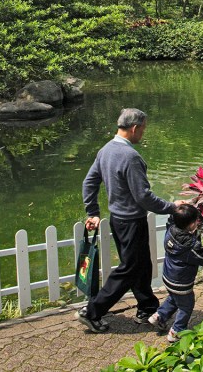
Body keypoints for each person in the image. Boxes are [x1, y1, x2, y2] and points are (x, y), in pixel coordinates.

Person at [78, 108, 178, 334]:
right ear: (134, 128)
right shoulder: (131, 157)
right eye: (142, 130)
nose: (143, 134)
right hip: (132, 222)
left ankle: (147, 307)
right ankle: (92, 312)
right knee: (129, 269)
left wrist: (92, 211)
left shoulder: (105, 150)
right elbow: (143, 196)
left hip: (118, 220)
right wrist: (172, 207)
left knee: (141, 265)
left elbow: (89, 183)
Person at [148, 204, 203, 343]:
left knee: (174, 298)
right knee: (186, 305)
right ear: (191, 224)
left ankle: (159, 316)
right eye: (195, 221)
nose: (197, 223)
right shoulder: (189, 245)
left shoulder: (171, 230)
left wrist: (178, 210)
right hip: (181, 281)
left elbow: (172, 219)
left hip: (168, 276)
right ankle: (176, 331)